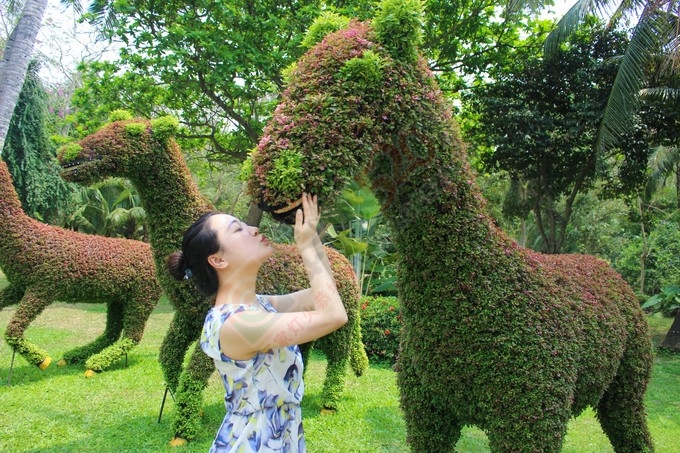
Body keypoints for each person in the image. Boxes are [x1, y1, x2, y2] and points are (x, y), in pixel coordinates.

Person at [167, 193, 348, 452]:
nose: (253, 229)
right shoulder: (237, 324)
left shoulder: (260, 306)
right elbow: (334, 315)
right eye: (238, 229)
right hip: (256, 443)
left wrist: (313, 238)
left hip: (280, 437)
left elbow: (325, 298)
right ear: (218, 260)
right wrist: (305, 246)